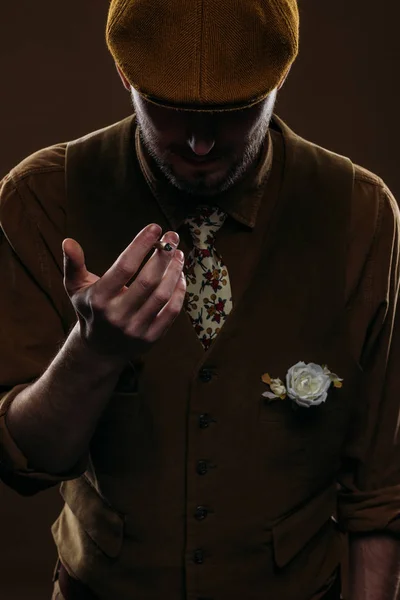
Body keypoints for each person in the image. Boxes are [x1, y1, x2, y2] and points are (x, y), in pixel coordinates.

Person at [1, 0, 400, 598]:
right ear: (125, 76)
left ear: (277, 82)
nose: (199, 142)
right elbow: (25, 461)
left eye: (234, 113)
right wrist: (92, 353)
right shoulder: (40, 198)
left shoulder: (362, 215)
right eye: (169, 108)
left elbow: (381, 491)